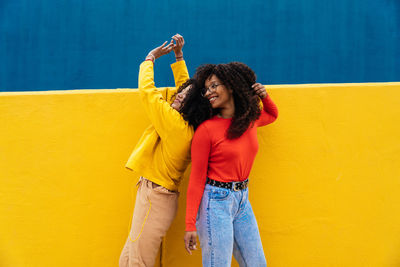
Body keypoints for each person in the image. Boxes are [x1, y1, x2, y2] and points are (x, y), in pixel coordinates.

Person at [119, 34, 210, 267]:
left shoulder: (175, 125)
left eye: (185, 97)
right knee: (129, 258)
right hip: (157, 195)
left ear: (191, 106)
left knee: (137, 262)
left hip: (154, 197)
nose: (179, 95)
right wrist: (179, 57)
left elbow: (148, 93)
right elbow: (187, 88)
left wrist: (150, 59)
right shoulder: (187, 126)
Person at [184, 62, 278, 266]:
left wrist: (264, 96)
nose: (209, 92)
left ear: (231, 86)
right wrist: (190, 224)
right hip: (215, 202)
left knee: (257, 263)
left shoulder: (249, 120)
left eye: (214, 86)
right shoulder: (206, 131)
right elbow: (197, 179)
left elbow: (272, 114)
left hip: (242, 201)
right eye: (206, 89)